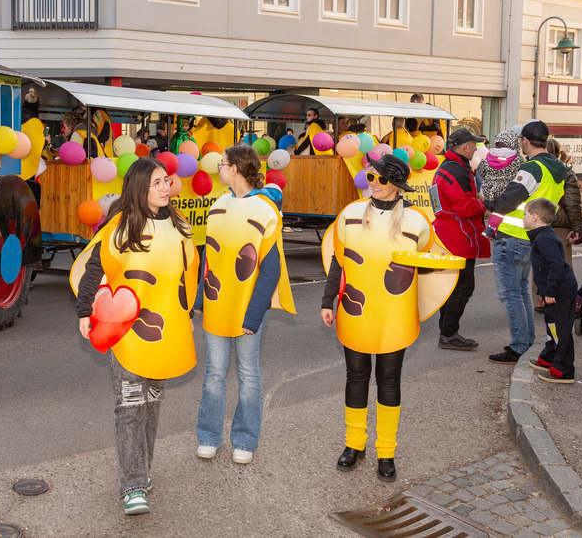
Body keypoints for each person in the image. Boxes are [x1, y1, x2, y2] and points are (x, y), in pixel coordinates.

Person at [70, 157, 198, 516]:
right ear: (140, 188)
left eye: (167, 181)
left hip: (166, 333)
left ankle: (142, 470)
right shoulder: (120, 228)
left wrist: (188, 315)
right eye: (157, 182)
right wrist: (84, 311)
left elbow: (189, 275)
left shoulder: (181, 227)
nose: (165, 188)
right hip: (125, 330)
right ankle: (132, 485)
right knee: (129, 405)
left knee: (151, 403)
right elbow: (94, 268)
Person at [320, 155, 438, 481]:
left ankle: (386, 452)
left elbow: (427, 265)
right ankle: (354, 444)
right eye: (372, 176)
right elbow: (339, 263)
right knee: (356, 376)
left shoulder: (415, 222)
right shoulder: (351, 214)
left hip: (394, 314)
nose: (374, 182)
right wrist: (328, 300)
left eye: (382, 179)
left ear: (397, 187)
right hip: (355, 309)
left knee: (388, 380)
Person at [195, 144, 295, 465]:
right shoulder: (219, 203)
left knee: (249, 375)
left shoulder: (266, 210)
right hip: (216, 304)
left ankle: (245, 440)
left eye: (222, 165)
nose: (218, 170)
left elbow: (271, 270)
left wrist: (254, 315)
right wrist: (199, 297)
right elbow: (209, 256)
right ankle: (209, 436)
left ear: (235, 170)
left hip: (248, 310)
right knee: (213, 373)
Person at [483, 121, 567, 365]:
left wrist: (489, 203)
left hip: (512, 236)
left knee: (511, 295)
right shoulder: (557, 167)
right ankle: (526, 341)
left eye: (520, 140)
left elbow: (509, 199)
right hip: (532, 236)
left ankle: (520, 346)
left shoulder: (533, 167)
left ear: (525, 141)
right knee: (521, 293)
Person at [432, 128, 488, 350]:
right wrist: (485, 205)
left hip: (447, 232)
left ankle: (446, 330)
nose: (476, 148)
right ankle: (448, 333)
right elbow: (464, 206)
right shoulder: (457, 170)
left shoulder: (447, 167)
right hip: (458, 234)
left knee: (451, 286)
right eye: (474, 144)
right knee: (463, 287)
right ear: (465, 147)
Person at [524, 199, 579, 385]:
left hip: (560, 292)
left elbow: (556, 265)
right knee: (552, 327)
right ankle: (550, 357)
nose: (523, 218)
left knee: (561, 331)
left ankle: (564, 370)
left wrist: (550, 291)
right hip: (554, 291)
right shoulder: (542, 235)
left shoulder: (544, 238)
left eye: (525, 215)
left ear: (534, 217)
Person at [475, 129, 525, 203]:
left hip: (489, 197)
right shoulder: (518, 159)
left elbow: (481, 171)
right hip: (508, 198)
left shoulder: (489, 155)